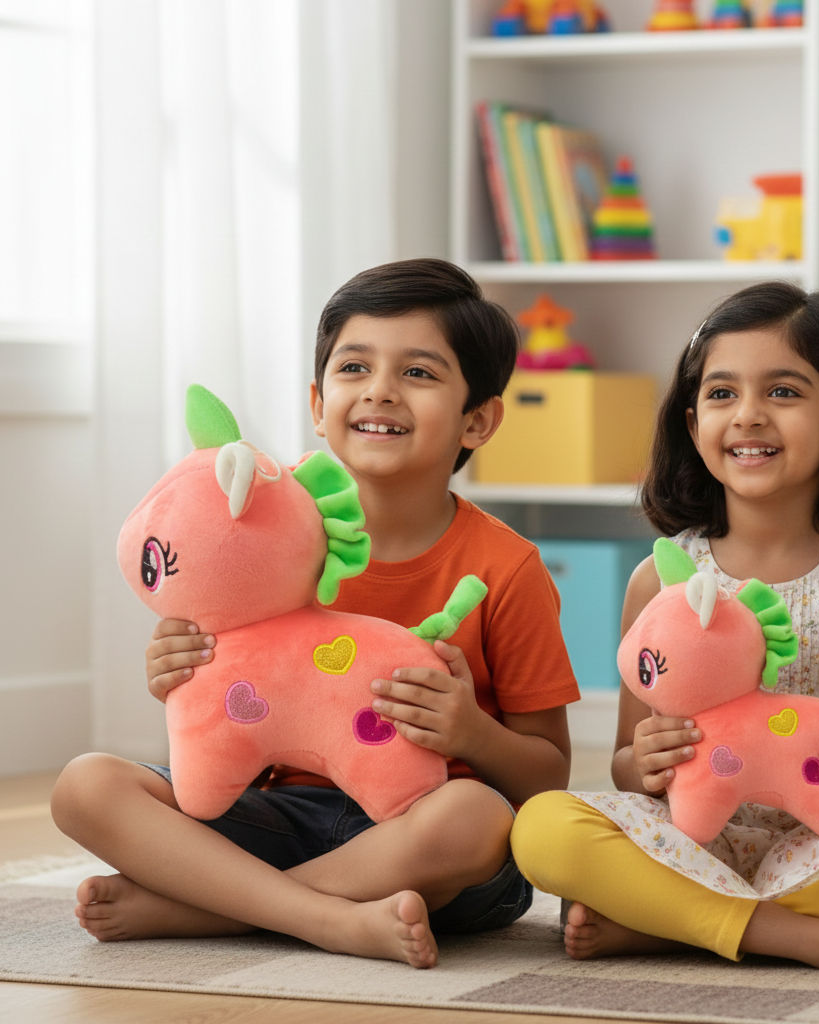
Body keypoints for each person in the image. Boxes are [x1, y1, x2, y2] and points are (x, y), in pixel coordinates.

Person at [51, 258, 580, 969]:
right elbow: (228, 724)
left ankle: (220, 910)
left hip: (424, 837)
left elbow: (546, 779)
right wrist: (180, 674)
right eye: (354, 368)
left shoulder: (506, 567)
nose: (380, 391)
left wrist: (471, 732)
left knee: (478, 817)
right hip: (279, 817)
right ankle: (323, 918)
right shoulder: (254, 530)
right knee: (86, 786)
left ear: (477, 419)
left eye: (418, 373)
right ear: (317, 403)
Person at [511, 281, 819, 983]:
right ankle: (816, 941)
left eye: (783, 391)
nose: (748, 414)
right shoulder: (660, 580)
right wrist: (644, 760)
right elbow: (628, 761)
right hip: (691, 842)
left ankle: (673, 925)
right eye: (722, 393)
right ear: (693, 427)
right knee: (542, 828)